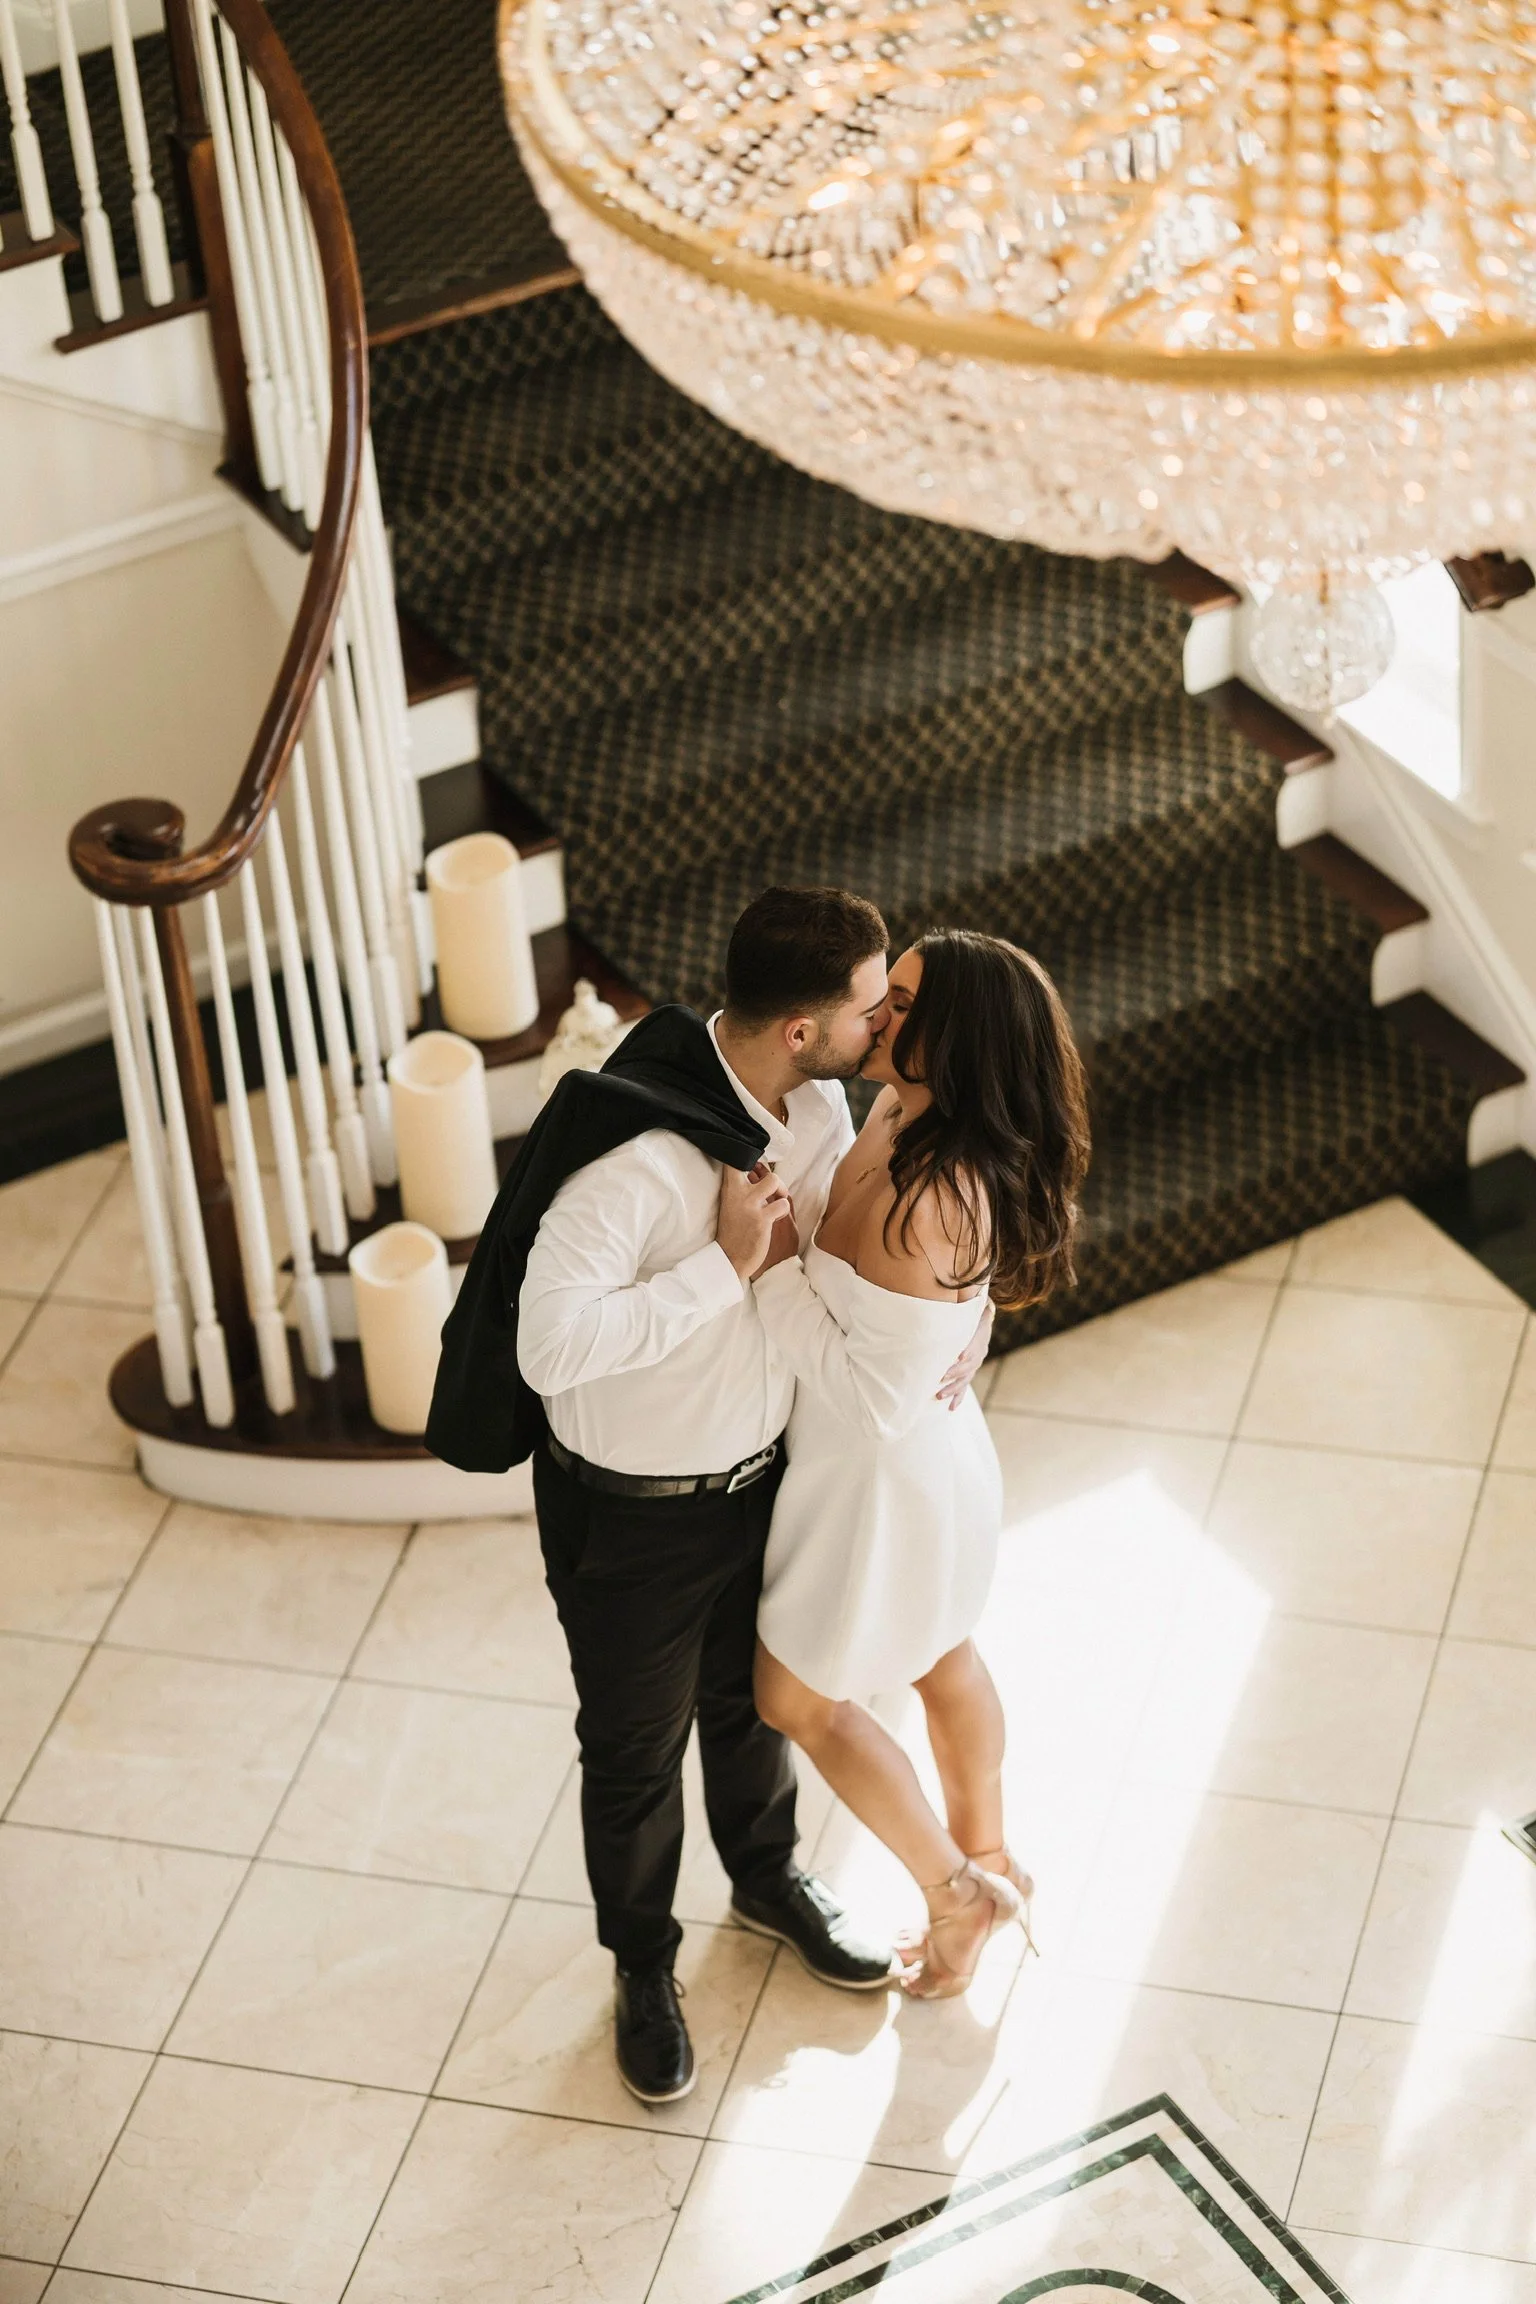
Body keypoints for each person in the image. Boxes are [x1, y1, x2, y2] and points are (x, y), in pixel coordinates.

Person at [514, 888, 991, 2103]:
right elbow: (548, 1351)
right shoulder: (634, 1163)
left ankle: (768, 1880)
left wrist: (954, 1331)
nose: (884, 1017)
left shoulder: (829, 1108)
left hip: (773, 1483)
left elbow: (870, 1271)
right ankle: (641, 1966)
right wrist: (724, 1270)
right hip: (635, 1514)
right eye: (869, 1003)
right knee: (632, 1752)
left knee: (752, 1712)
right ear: (799, 1028)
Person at [741, 928, 1090, 1999]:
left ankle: (956, 1891)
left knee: (798, 1704)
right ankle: (989, 1854)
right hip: (928, 1463)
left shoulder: (933, 1195)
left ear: (959, 1039)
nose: (875, 1015)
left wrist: (760, 1266)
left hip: (879, 1489)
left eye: (898, 1004)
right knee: (944, 1656)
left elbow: (880, 1399)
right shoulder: (903, 1106)